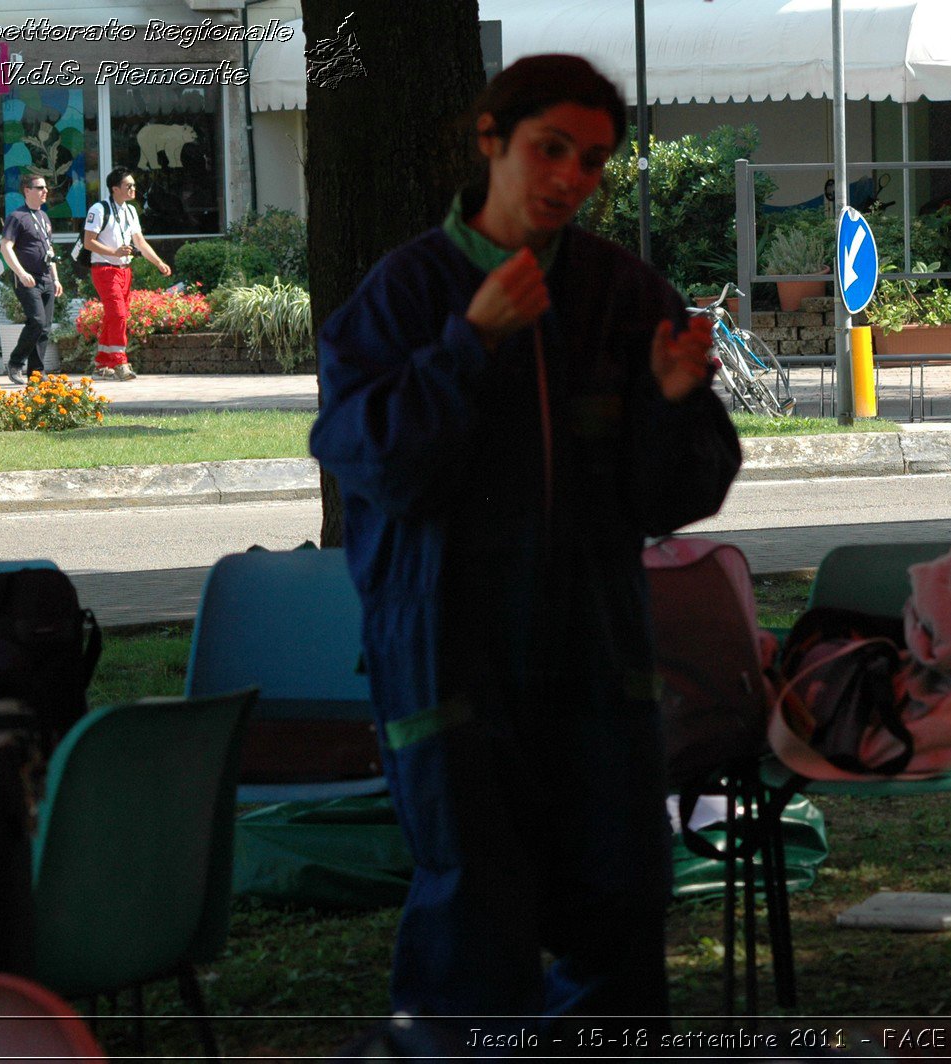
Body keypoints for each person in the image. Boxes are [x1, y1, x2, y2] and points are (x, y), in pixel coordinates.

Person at [309, 54, 741, 1029]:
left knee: (619, 911)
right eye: (551, 149)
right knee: (474, 926)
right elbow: (381, 467)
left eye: (591, 162)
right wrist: (472, 342)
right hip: (449, 660)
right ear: (491, 140)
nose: (569, 179)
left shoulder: (623, 293)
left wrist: (675, 405)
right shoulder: (403, 294)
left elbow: (672, 495)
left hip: (596, 661)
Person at [83, 166, 171, 380]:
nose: (133, 189)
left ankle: (101, 364)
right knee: (118, 315)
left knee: (113, 316)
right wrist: (114, 252)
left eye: (133, 185)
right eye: (128, 185)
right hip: (104, 269)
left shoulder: (130, 211)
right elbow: (88, 242)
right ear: (115, 189)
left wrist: (158, 262)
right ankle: (120, 363)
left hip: (124, 270)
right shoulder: (99, 209)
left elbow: (139, 242)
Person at [0, 172, 63, 386]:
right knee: (35, 321)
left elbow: (49, 249)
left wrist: (56, 278)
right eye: (40, 187)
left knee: (44, 327)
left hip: (46, 277)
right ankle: (15, 363)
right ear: (27, 190)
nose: (45, 191)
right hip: (27, 279)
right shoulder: (17, 217)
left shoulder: (43, 217)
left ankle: (37, 373)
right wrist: (21, 273)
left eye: (45, 188)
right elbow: (6, 247)